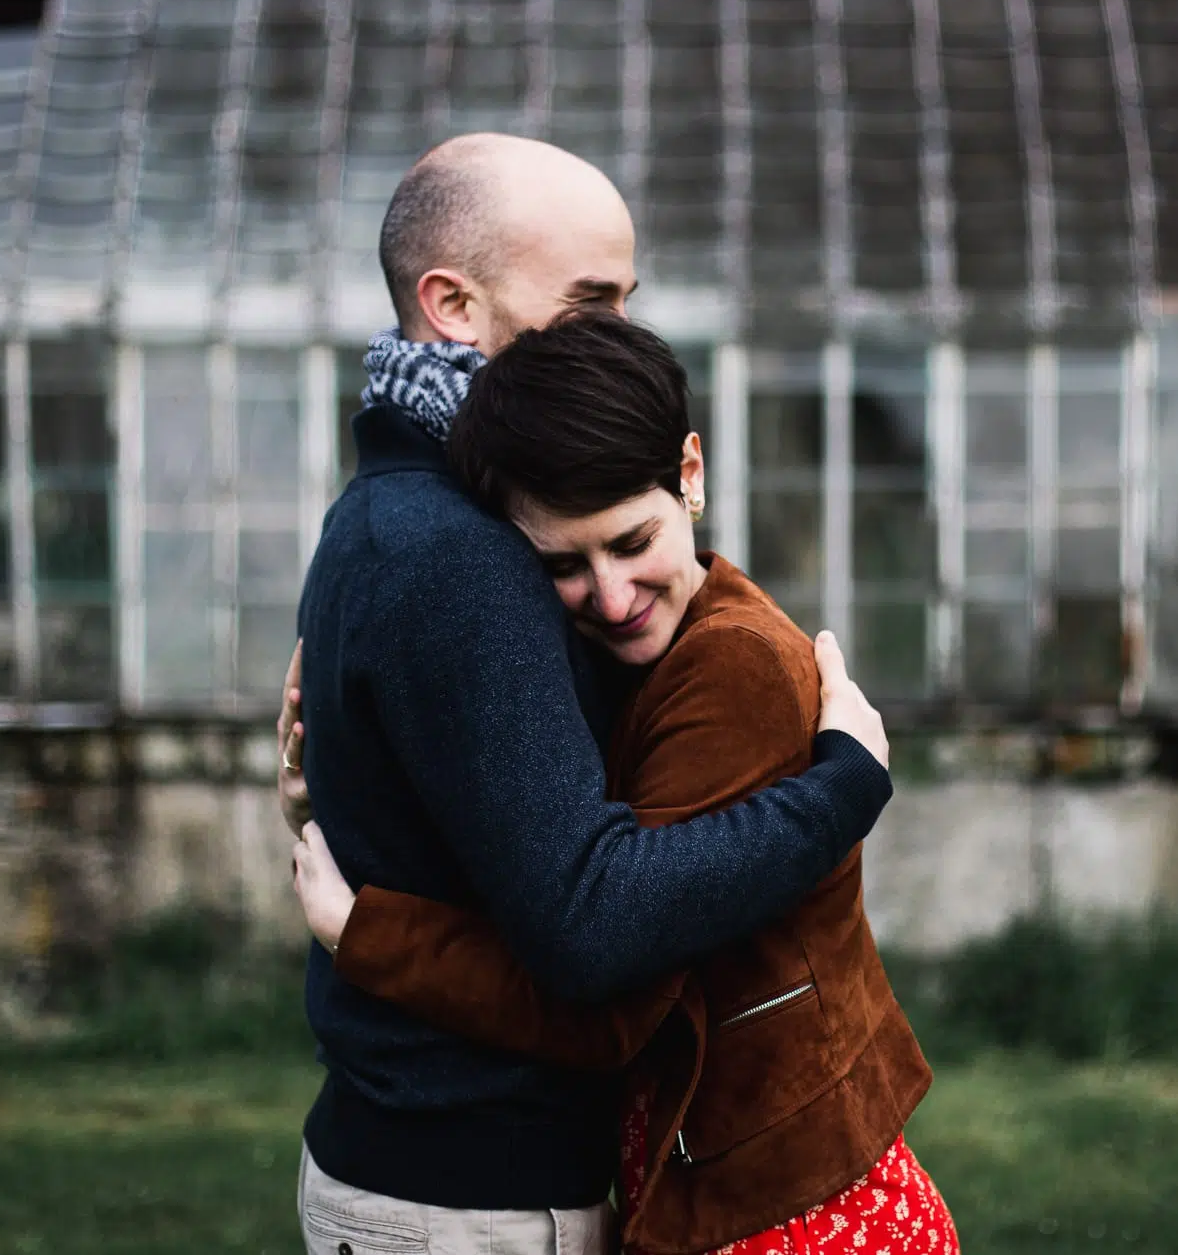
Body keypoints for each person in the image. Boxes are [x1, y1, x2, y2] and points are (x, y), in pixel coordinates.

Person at [283, 134, 896, 1255]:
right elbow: (593, 928)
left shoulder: (403, 506)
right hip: (469, 1192)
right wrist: (841, 788)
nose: (620, 331)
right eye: (590, 300)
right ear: (452, 303)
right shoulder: (457, 551)